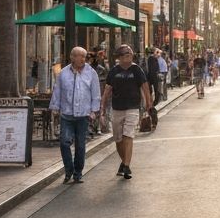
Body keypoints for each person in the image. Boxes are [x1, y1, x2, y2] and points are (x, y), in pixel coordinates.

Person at [51, 46, 102, 184]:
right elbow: (57, 91)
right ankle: (69, 169)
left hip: (83, 115)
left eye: (84, 57)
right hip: (67, 114)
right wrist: (55, 108)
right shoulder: (63, 73)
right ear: (72, 57)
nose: (83, 59)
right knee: (64, 142)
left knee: (80, 145)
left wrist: (94, 111)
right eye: (80, 56)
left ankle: (77, 172)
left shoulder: (91, 73)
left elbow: (95, 94)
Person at [100, 46, 153, 180]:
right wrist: (102, 107)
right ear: (119, 57)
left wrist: (148, 103)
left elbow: (145, 86)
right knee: (118, 139)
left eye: (130, 53)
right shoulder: (114, 71)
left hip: (133, 107)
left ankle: (127, 166)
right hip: (117, 108)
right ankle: (124, 162)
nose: (128, 55)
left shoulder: (136, 70)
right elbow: (107, 90)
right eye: (125, 54)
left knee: (128, 135)